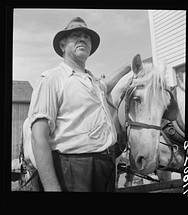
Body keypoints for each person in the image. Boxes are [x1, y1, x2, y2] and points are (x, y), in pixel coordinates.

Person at [27, 17, 131, 192]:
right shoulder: (52, 79)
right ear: (62, 45)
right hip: (74, 168)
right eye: (76, 35)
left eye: (86, 37)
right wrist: (52, 187)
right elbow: (39, 137)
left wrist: (127, 68)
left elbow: (106, 85)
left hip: (106, 165)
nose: (83, 39)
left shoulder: (93, 82)